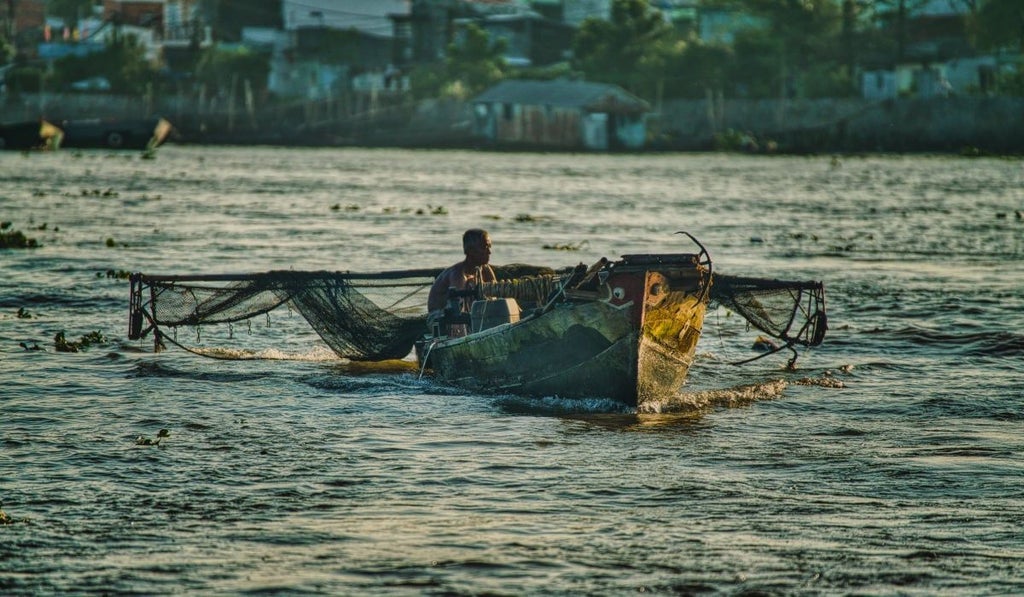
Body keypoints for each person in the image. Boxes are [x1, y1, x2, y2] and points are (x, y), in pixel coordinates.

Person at [427, 228, 497, 316]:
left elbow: (495, 294)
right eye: (485, 247)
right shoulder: (458, 274)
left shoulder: (485, 269)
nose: (489, 252)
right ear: (471, 251)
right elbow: (457, 307)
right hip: (441, 316)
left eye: (489, 247)